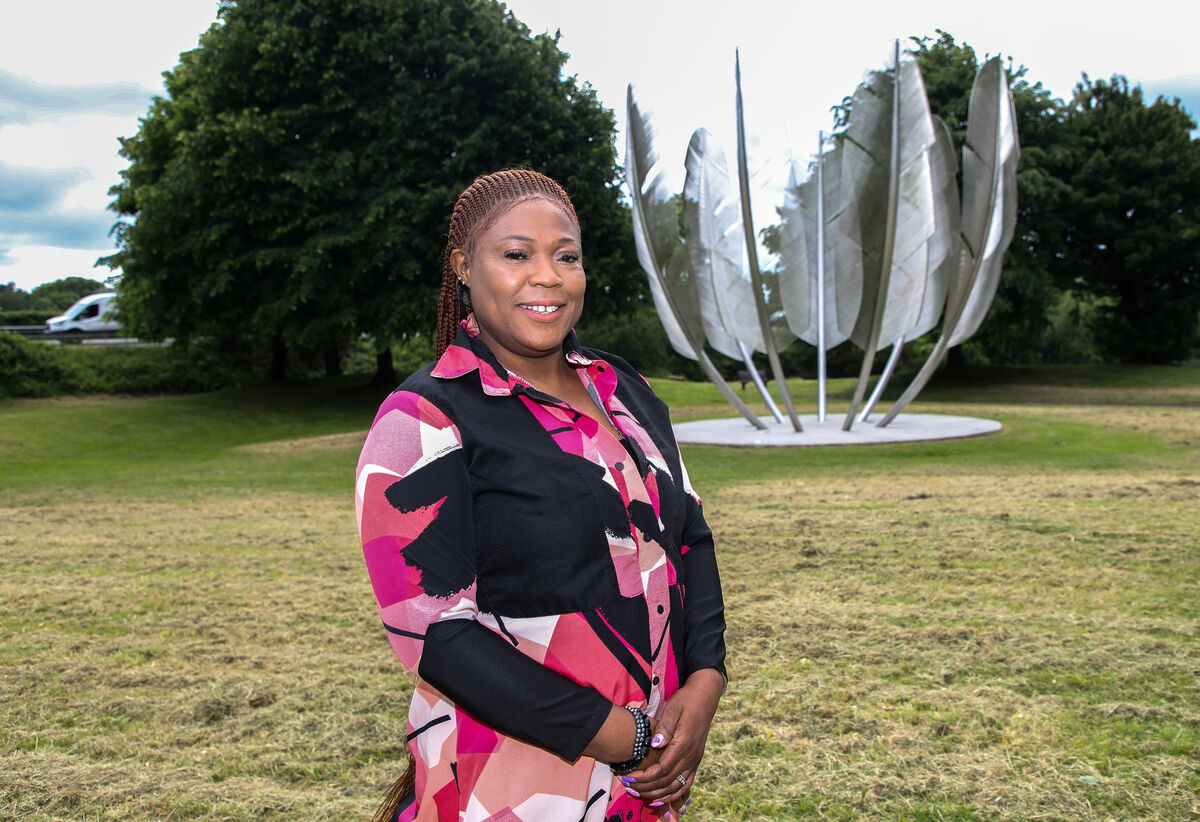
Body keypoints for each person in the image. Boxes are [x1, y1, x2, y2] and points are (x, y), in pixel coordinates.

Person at [355, 169, 726, 822]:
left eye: (566, 256)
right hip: (509, 788)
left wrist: (703, 685)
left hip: (645, 788)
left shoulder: (625, 391)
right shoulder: (422, 420)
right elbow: (437, 636)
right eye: (516, 254)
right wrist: (627, 735)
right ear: (463, 267)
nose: (547, 276)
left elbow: (689, 536)